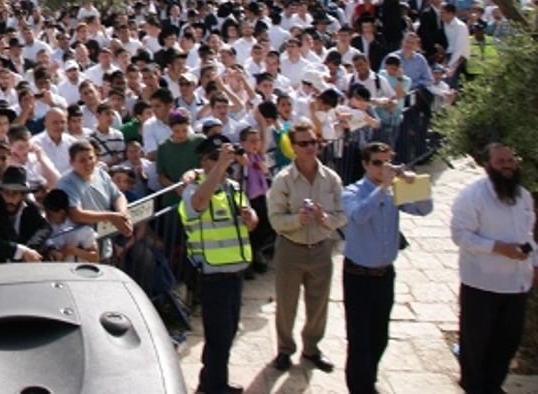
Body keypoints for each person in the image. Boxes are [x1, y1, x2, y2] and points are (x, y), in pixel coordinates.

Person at [341, 141, 433, 394]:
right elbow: (358, 215)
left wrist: (415, 184)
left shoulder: (394, 190)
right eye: (377, 163)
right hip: (358, 275)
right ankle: (360, 387)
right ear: (365, 165)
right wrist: (382, 187)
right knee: (358, 338)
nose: (383, 168)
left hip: (384, 274)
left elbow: (425, 209)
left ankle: (368, 378)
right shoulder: (352, 191)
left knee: (379, 335)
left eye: (386, 162)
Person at [450, 143, 538, 394]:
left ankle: (493, 386)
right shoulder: (471, 196)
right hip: (482, 284)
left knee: (508, 342)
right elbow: (461, 236)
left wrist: (535, 263)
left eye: (510, 160)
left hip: (517, 284)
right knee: (477, 344)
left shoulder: (523, 195)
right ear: (488, 166)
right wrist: (496, 247)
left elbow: (528, 235)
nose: (507, 165)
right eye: (501, 161)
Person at [180, 135, 257, 394]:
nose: (221, 161)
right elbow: (199, 203)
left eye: (223, 156)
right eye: (214, 157)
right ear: (203, 161)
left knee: (227, 334)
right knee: (218, 336)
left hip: (235, 272)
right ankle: (214, 387)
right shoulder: (194, 188)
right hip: (213, 275)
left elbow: (251, 221)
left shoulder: (233, 187)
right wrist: (218, 169)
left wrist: (250, 218)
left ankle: (212, 381)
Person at [266, 124, 347, 373]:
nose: (310, 147)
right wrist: (296, 221)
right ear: (293, 147)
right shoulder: (283, 180)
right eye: (304, 143)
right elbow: (275, 219)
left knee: (319, 303)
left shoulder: (331, 179)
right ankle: (284, 349)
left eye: (313, 142)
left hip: (322, 248)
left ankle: (311, 348)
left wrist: (326, 220)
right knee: (287, 303)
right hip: (292, 249)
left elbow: (342, 214)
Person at [0, 166, 50, 263]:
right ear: (1, 192)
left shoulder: (31, 208)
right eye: (6, 193)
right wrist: (20, 251)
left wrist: (30, 248)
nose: (10, 199)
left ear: (23, 195)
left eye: (14, 193)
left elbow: (45, 227)